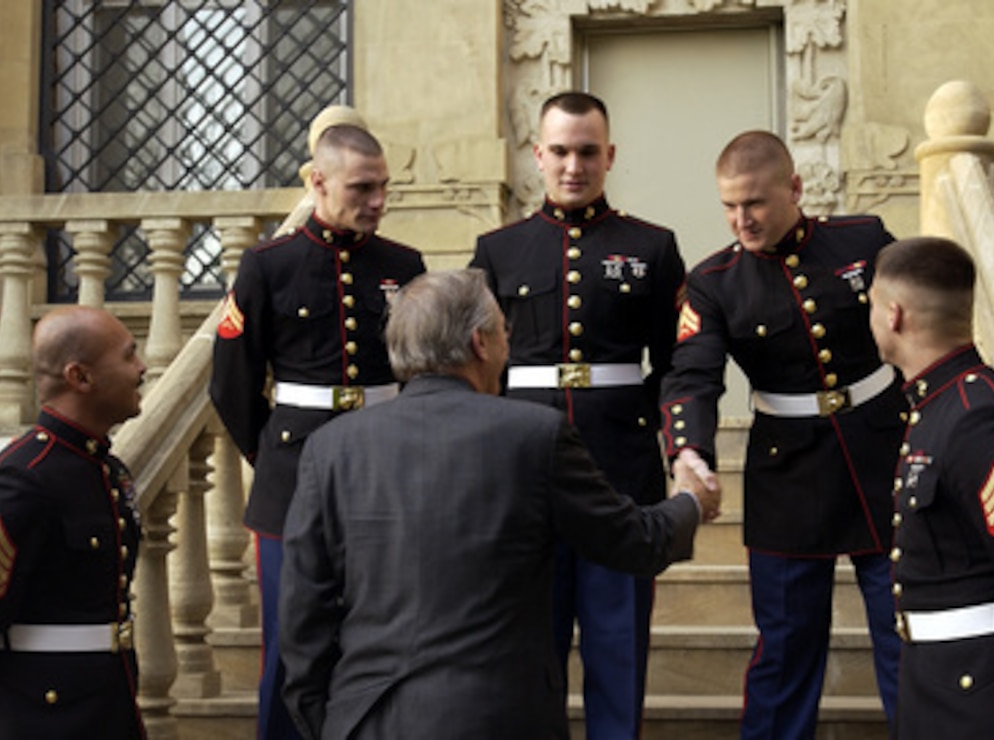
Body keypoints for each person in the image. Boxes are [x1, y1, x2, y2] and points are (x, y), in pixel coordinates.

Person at [278, 268, 703, 740]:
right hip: (500, 718)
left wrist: (328, 722)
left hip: (366, 720)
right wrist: (692, 501)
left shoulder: (331, 447)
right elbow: (633, 543)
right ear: (480, 343)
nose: (508, 344)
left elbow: (303, 613)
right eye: (504, 331)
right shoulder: (535, 435)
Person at [660, 130, 904, 738]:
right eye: (729, 206)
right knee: (787, 651)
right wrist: (688, 448)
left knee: (906, 638)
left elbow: (920, 315)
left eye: (755, 203)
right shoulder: (713, 283)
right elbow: (693, 372)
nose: (741, 219)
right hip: (789, 475)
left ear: (794, 189)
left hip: (881, 454)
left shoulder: (863, 239)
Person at [469, 90, 692, 739]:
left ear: (610, 155)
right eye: (560, 151)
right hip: (521, 479)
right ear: (537, 155)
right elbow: (478, 366)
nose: (574, 166)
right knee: (526, 655)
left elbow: (678, 363)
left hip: (620, 476)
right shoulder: (498, 251)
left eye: (588, 152)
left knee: (617, 650)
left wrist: (667, 438)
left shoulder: (651, 247)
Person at [209, 123, 426, 739]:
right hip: (293, 480)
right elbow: (231, 383)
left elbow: (421, 373)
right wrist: (273, 457)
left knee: (386, 634)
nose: (377, 202)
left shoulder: (404, 265)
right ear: (317, 181)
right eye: (362, 188)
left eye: (384, 187)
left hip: (387, 475)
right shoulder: (266, 266)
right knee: (289, 641)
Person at [867, 235, 994, 738]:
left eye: (871, 304)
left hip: (987, 697)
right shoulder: (939, 406)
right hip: (938, 681)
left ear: (894, 315)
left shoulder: (980, 418)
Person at [0, 305, 147, 739]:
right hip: (40, 718)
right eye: (128, 356)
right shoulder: (23, 479)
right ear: (81, 377)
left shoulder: (104, 469)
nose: (141, 368)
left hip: (107, 704)